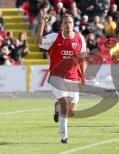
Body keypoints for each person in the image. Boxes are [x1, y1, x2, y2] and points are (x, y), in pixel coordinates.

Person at [35, 13, 87, 144]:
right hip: (57, 77)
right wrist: (42, 23)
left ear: (73, 24)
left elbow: (82, 59)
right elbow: (38, 42)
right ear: (61, 25)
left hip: (73, 77)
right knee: (65, 105)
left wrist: (83, 76)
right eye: (65, 23)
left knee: (71, 112)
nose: (68, 25)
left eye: (70, 22)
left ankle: (57, 107)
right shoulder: (54, 37)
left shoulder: (80, 38)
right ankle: (64, 137)